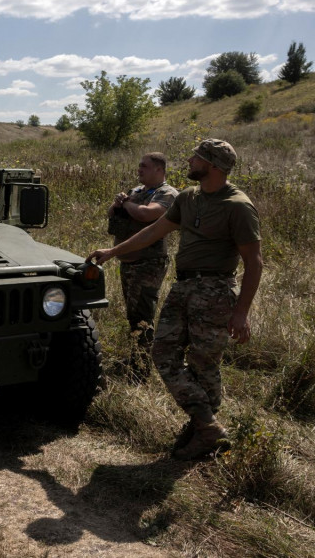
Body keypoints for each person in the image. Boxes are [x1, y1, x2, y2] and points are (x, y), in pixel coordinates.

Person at [87, 139, 262, 460]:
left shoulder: (237, 206)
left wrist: (242, 313)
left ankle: (201, 430)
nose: (190, 160)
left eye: (197, 158)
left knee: (203, 363)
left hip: (216, 291)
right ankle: (206, 425)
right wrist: (113, 251)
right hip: (183, 288)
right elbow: (154, 231)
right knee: (162, 352)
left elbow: (255, 263)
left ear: (213, 166)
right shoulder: (188, 198)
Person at [107, 153, 178, 381]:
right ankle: (135, 360)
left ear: (159, 169)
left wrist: (126, 203)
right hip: (129, 263)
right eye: (139, 165)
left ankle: (141, 369)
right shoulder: (137, 191)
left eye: (144, 166)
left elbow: (147, 214)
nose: (139, 169)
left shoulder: (167, 193)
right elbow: (111, 214)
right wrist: (118, 203)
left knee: (143, 317)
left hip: (148, 263)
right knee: (133, 315)